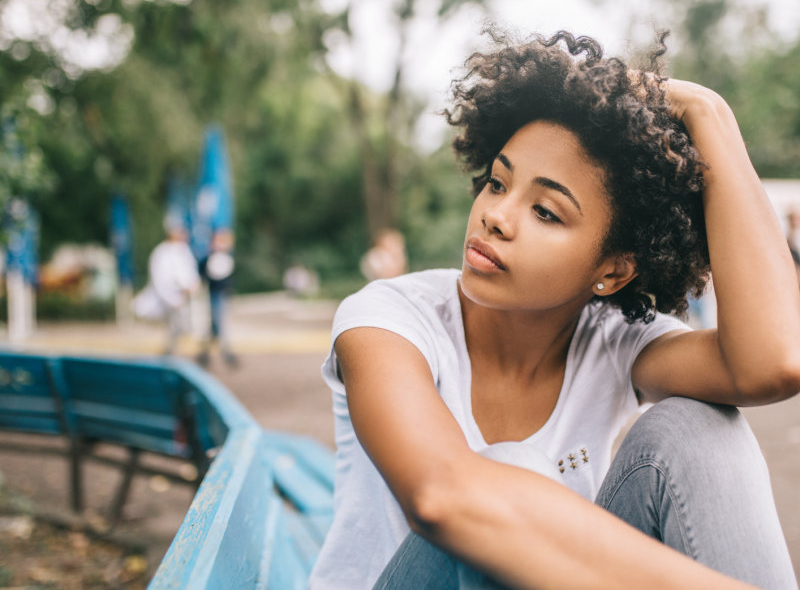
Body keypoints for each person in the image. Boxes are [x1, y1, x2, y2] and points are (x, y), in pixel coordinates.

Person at [308, 29, 800, 590]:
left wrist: (710, 115)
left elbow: (771, 363)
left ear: (612, 271)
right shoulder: (389, 318)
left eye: (545, 212)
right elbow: (442, 496)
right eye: (497, 183)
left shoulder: (612, 343)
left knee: (700, 426)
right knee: (509, 471)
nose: (495, 215)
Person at [142, 219, 200, 355]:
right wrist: (172, 299)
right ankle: (170, 357)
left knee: (184, 329)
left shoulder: (183, 250)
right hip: (170, 299)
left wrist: (191, 286)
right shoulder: (161, 253)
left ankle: (173, 356)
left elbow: (189, 272)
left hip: (183, 298)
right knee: (174, 329)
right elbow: (160, 279)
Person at [196, 228, 237, 368]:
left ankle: (205, 353)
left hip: (221, 294)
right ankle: (225, 354)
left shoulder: (224, 257)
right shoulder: (211, 257)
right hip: (215, 294)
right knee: (218, 323)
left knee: (216, 324)